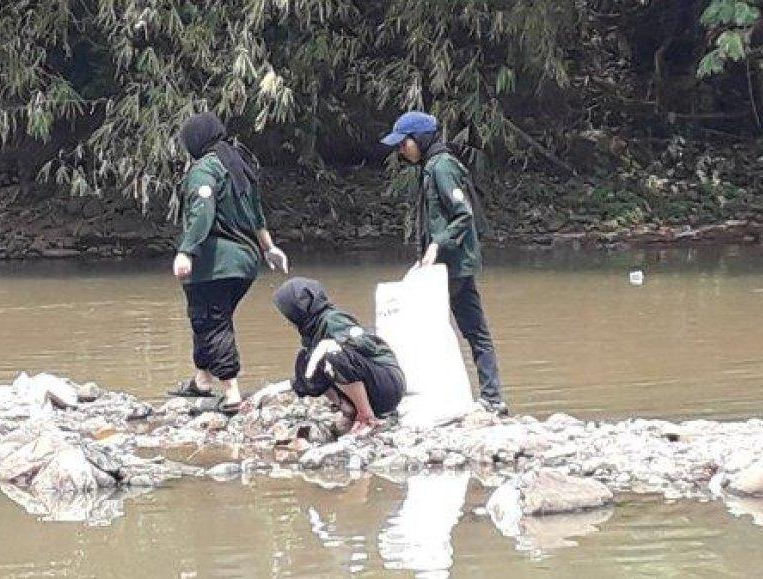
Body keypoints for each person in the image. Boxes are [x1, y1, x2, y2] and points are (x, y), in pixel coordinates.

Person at [379, 111, 509, 417]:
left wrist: (437, 244)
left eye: (404, 143)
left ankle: (437, 396)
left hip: (451, 266)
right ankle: (491, 398)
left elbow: (463, 214)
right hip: (446, 265)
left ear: (420, 140)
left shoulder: (443, 167)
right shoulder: (430, 167)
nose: (401, 150)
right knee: (474, 331)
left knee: (429, 327)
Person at [169, 111, 289, 414]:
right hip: (245, 262)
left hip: (215, 263)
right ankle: (202, 380)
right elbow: (257, 213)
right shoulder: (238, 165)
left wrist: (186, 251)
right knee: (207, 318)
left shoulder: (205, 169)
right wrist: (270, 248)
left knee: (213, 321)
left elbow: (202, 211)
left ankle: (232, 392)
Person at [249, 277, 405, 435]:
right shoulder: (311, 331)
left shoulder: (333, 319)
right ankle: (348, 409)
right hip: (370, 386)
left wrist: (329, 346)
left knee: (331, 354)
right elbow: (305, 376)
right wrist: (269, 391)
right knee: (306, 359)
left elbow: (358, 345)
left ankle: (366, 417)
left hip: (387, 384)